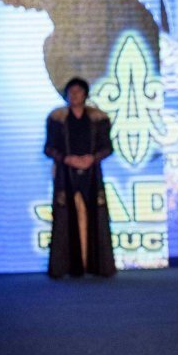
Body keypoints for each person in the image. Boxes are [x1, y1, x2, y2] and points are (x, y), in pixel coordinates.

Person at [44, 77, 115, 278]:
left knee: (96, 215)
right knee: (64, 217)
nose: (74, 95)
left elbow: (107, 147)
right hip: (65, 174)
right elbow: (48, 148)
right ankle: (65, 267)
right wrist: (67, 159)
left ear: (85, 94)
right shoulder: (57, 118)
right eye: (71, 92)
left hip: (91, 174)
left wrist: (92, 158)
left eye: (78, 92)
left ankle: (98, 266)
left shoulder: (98, 118)